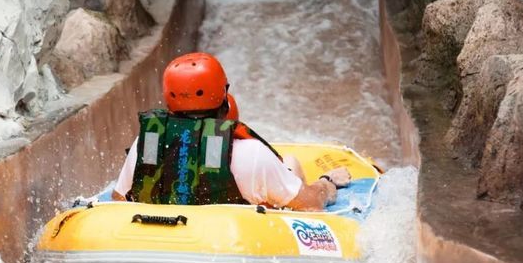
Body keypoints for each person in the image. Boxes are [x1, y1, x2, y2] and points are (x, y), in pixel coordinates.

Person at [112, 52, 351, 211]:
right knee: (291, 164)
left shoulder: (145, 146)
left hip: (159, 250)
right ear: (223, 97)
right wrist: (327, 183)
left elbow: (120, 202)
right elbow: (311, 205)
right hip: (231, 246)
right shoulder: (252, 154)